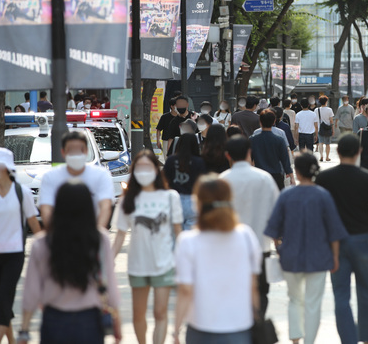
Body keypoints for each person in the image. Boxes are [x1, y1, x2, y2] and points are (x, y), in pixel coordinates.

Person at [19, 182, 121, 344]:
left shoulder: (42, 243)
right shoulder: (100, 240)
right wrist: (117, 326)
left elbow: (31, 292)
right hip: (90, 322)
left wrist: (24, 330)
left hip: (54, 320)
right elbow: (111, 287)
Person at [264, 153, 348, 344]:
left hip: (291, 256)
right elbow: (334, 230)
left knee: (294, 299)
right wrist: (335, 256)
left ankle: (295, 339)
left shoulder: (286, 195)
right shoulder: (323, 195)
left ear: (297, 172)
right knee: (313, 303)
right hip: (319, 256)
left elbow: (273, 228)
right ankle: (309, 341)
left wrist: (280, 248)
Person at [315, 134, 368, 344]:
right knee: (365, 291)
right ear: (360, 151)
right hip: (363, 240)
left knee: (341, 295)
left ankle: (348, 340)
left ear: (337, 151)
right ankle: (367, 339)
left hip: (335, 243)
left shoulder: (324, 178)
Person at [173, 176, 261, 344]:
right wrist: (256, 316)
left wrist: (176, 330)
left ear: (197, 203)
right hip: (239, 326)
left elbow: (185, 291)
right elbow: (253, 285)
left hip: (201, 327)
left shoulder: (187, 241)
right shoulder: (246, 236)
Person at [112, 150, 183, 344]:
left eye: (148, 167)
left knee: (160, 312)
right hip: (138, 264)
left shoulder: (170, 197)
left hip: (164, 263)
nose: (143, 172)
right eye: (139, 168)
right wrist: (108, 261)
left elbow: (178, 232)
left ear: (156, 170)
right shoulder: (128, 200)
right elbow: (119, 234)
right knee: (138, 314)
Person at [0, 148, 41, 344]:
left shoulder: (22, 193)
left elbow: (34, 223)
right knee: (0, 302)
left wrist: (49, 248)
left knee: (4, 299)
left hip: (14, 255)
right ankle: (11, 340)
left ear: (4, 168)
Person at [220, 135, 280, 317]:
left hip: (230, 249)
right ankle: (257, 326)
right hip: (260, 247)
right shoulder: (264, 178)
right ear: (249, 152)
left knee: (234, 293)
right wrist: (278, 243)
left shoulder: (223, 181)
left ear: (227, 155)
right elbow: (276, 214)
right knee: (261, 292)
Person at [39, 131, 114, 227]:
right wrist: (55, 235)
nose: (76, 154)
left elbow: (105, 206)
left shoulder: (101, 175)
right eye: (71, 150)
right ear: (63, 152)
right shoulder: (50, 177)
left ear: (86, 151)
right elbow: (46, 207)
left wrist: (97, 233)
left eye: (80, 150)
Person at [164, 134, 207, 230]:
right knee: (190, 237)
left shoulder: (171, 160)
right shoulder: (199, 161)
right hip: (193, 201)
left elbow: (164, 181)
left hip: (173, 200)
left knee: (175, 234)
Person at [250, 109, 295, 190]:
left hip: (259, 175)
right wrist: (291, 175)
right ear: (274, 121)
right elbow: (285, 159)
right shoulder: (279, 140)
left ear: (260, 121)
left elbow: (249, 159)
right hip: (276, 175)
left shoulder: (253, 140)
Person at [314, 96, 335, 162]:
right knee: (327, 144)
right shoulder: (329, 110)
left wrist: (316, 130)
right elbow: (331, 121)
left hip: (320, 128)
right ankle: (327, 157)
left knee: (320, 143)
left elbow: (315, 120)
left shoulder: (316, 110)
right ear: (326, 102)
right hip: (328, 128)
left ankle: (321, 156)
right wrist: (333, 129)